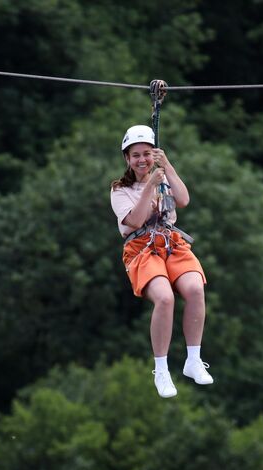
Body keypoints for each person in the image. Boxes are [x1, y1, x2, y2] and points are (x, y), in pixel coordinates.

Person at [110, 124, 212, 398]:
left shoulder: (162, 175)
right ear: (127, 159)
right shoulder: (120, 189)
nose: (142, 160)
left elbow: (183, 200)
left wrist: (167, 167)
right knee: (165, 299)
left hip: (170, 243)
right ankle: (162, 369)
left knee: (195, 288)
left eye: (147, 154)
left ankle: (193, 359)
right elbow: (134, 220)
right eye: (135, 155)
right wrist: (149, 188)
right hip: (142, 248)